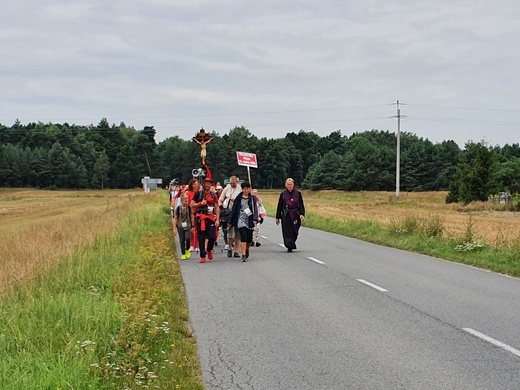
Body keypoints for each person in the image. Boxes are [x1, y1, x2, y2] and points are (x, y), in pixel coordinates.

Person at [228, 182, 258, 262]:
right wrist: (231, 220)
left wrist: (255, 219)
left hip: (249, 218)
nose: (246, 190)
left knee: (249, 238)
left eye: (247, 189)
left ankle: (247, 249)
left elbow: (255, 209)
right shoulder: (238, 198)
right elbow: (234, 210)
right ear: (242, 189)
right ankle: (243, 254)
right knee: (243, 236)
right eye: (244, 189)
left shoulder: (252, 198)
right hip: (241, 218)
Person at [192, 178, 220, 263]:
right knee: (201, 237)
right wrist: (200, 203)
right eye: (206, 183)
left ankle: (209, 249)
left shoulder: (213, 195)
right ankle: (202, 255)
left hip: (211, 217)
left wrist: (217, 219)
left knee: (212, 236)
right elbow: (192, 204)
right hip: (201, 218)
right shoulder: (198, 194)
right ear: (203, 184)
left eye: (209, 184)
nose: (207, 185)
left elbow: (217, 207)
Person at [276, 178, 305, 252]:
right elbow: (279, 206)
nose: (289, 186)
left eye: (291, 184)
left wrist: (302, 214)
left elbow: (301, 204)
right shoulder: (283, 194)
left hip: (295, 214)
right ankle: (289, 245)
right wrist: (277, 217)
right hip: (286, 215)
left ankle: (292, 242)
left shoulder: (298, 193)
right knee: (287, 231)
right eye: (288, 184)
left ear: (293, 184)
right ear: (286, 185)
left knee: (295, 230)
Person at [219, 176, 242, 258]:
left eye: (234, 183)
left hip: (238, 212)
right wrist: (221, 205)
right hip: (229, 212)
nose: (232, 184)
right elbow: (220, 199)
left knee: (238, 233)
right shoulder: (226, 189)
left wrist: (236, 201)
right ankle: (229, 247)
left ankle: (236, 251)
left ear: (237, 182)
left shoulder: (240, 189)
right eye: (231, 183)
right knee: (231, 233)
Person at [173, 194, 195, 260]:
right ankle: (183, 253)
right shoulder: (178, 209)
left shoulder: (189, 208)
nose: (187, 202)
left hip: (188, 225)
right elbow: (175, 218)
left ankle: (187, 249)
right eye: (185, 201)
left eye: (187, 201)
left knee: (188, 238)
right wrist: (174, 228)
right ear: (182, 201)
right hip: (180, 226)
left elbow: (192, 217)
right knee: (182, 240)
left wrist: (192, 226)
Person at [186, 179, 200, 252]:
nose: (196, 185)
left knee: (198, 230)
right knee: (191, 229)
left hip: (198, 213)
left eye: (197, 184)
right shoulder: (188, 193)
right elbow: (187, 203)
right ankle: (192, 244)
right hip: (190, 213)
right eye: (194, 184)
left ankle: (197, 244)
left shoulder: (200, 192)